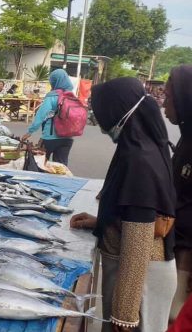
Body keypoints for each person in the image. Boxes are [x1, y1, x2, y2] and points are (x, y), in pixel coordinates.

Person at [70, 77, 177, 332]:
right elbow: (138, 212)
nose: (101, 123)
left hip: (139, 277)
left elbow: (138, 243)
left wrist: (125, 313)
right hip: (134, 268)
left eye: (100, 113)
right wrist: (102, 222)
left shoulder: (139, 160)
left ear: (115, 113)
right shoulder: (142, 146)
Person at [163, 65, 192, 320]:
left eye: (168, 97)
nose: (164, 104)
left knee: (174, 317)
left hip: (185, 256)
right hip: (175, 249)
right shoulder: (186, 138)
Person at [21, 69, 74, 166]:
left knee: (41, 165)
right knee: (60, 168)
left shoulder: (52, 96)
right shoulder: (72, 97)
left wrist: (30, 132)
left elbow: (41, 116)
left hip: (50, 137)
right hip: (68, 138)